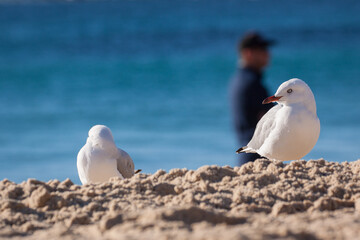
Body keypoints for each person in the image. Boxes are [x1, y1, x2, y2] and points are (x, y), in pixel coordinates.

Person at [230, 31, 276, 165]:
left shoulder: (238, 80)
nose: (267, 53)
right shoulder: (252, 83)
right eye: (261, 49)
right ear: (248, 53)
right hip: (258, 158)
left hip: (247, 154)